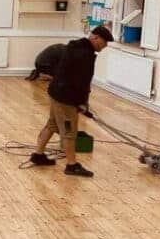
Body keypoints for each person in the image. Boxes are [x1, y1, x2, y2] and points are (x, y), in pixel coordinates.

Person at [29, 26, 114, 177]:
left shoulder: (75, 46)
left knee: (52, 124)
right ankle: (71, 165)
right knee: (69, 132)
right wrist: (81, 102)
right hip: (66, 98)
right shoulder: (84, 55)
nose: (105, 46)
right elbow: (80, 82)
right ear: (95, 38)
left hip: (56, 92)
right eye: (104, 42)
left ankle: (38, 155)